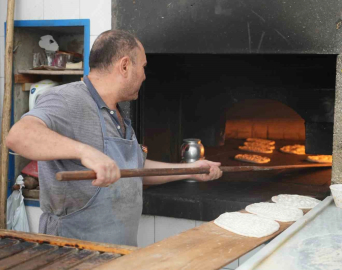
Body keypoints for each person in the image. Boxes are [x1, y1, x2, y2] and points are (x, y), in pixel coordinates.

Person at [6, 30, 222, 246]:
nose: (145, 75)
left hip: (117, 253)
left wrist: (191, 169)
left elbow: (135, 171)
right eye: (143, 67)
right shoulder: (68, 99)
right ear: (125, 66)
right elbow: (18, 135)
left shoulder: (118, 115)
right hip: (72, 253)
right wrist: (86, 152)